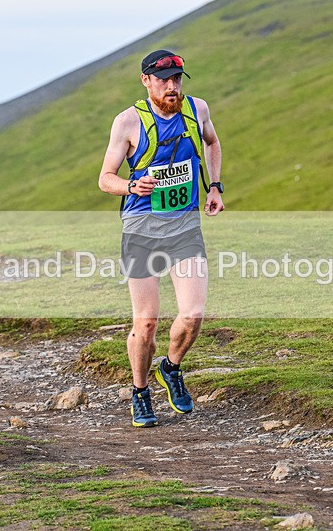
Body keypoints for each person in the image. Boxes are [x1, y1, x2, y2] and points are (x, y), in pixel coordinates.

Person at [98, 49, 224, 427]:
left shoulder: (197, 110)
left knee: (193, 314)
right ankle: (140, 392)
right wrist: (132, 186)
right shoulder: (127, 122)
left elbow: (211, 142)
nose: (172, 87)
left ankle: (170, 367)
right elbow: (105, 179)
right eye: (164, 80)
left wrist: (214, 186)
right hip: (141, 230)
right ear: (146, 81)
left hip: (184, 228)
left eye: (177, 79)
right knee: (147, 323)